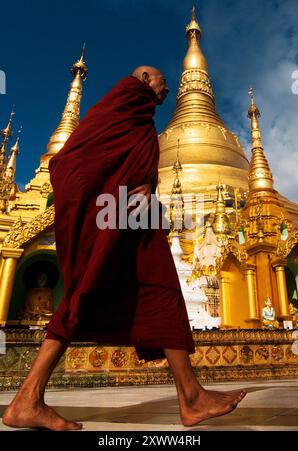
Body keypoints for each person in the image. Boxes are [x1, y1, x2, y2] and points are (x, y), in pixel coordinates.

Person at [2, 66, 246, 430]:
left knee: (159, 294)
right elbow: (71, 161)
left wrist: (144, 190)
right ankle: (28, 399)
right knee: (84, 297)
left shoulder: (142, 118)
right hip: (116, 217)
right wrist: (114, 195)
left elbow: (128, 163)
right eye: (162, 80)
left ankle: (190, 396)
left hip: (137, 222)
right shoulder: (126, 99)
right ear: (145, 79)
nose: (167, 87)